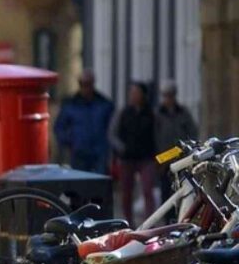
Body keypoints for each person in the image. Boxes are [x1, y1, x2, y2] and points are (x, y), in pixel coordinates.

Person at [111, 82, 158, 225]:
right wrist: (121, 148)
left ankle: (150, 222)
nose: (133, 96)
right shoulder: (123, 113)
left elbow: (158, 134)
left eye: (136, 93)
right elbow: (112, 134)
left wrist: (160, 157)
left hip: (147, 157)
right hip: (127, 158)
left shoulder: (152, 113)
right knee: (126, 193)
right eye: (132, 93)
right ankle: (128, 222)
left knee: (148, 190)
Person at [54, 70, 115, 174]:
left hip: (99, 153)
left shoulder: (104, 104)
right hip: (79, 153)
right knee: (80, 184)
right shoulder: (70, 105)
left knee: (100, 184)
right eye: (82, 84)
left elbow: (113, 127)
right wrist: (70, 141)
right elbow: (59, 127)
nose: (85, 88)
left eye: (88, 84)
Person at [155, 80, 199, 201]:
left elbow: (193, 132)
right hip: (164, 157)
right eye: (166, 95)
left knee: (181, 188)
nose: (168, 98)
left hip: (180, 155)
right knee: (165, 188)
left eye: (170, 95)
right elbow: (154, 135)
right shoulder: (157, 114)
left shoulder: (183, 113)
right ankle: (167, 216)